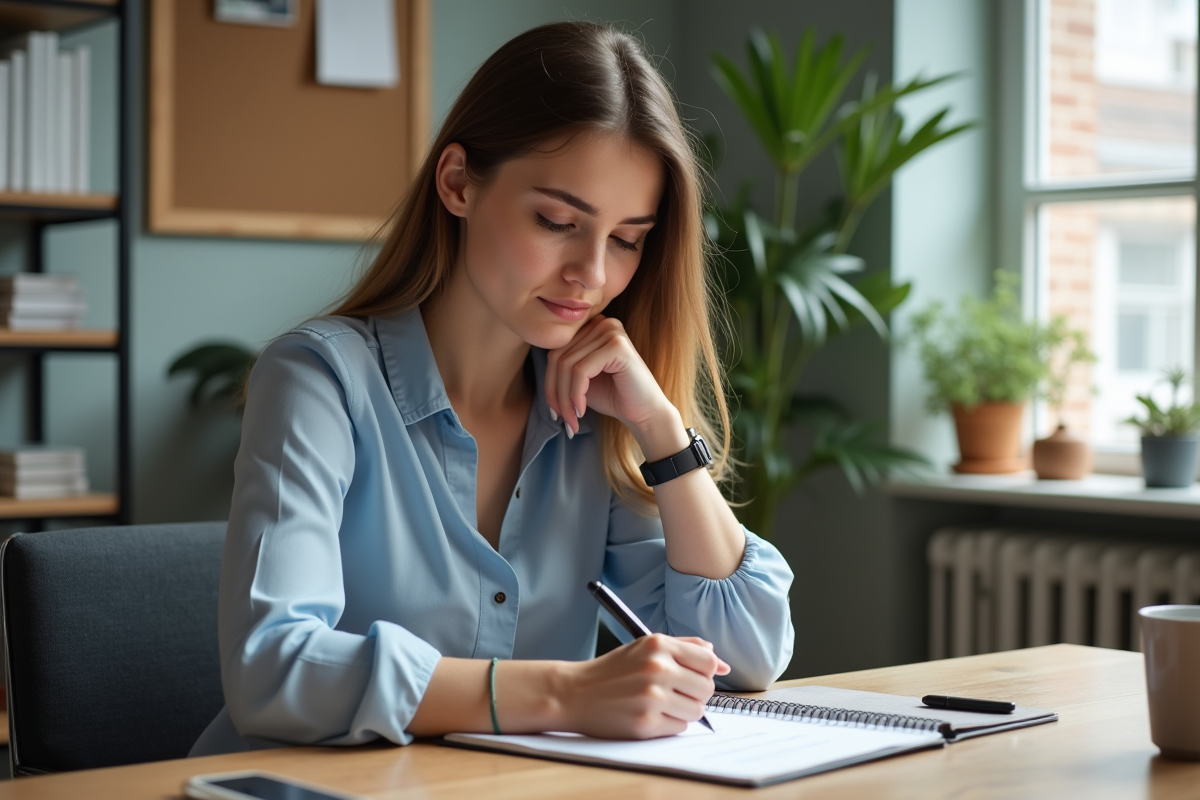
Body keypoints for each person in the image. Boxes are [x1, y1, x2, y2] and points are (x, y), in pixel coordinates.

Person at [190, 20, 794, 756]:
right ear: (457, 184)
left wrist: (663, 429)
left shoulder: (597, 414)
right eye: (556, 221)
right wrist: (567, 692)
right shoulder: (319, 381)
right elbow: (271, 667)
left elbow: (747, 655)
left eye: (628, 238)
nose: (592, 275)